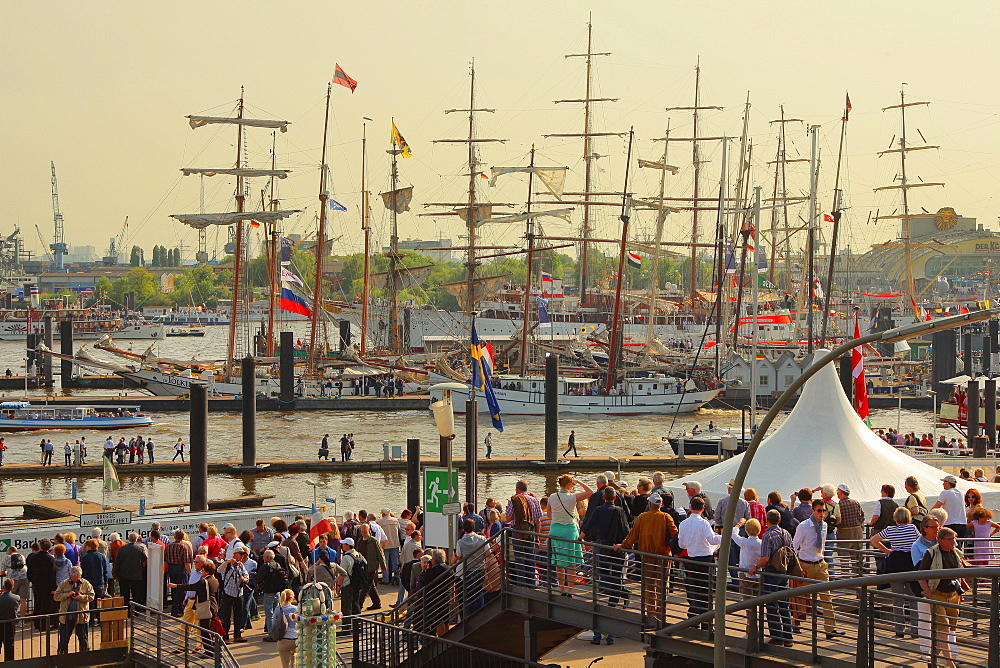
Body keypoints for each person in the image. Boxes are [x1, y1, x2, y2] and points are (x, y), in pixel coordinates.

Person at [617, 493, 676, 622]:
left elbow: (633, 536)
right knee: (662, 586)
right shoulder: (666, 517)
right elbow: (675, 535)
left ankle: (650, 615)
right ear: (660, 505)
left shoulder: (643, 517)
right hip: (664, 556)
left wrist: (623, 545)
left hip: (647, 556)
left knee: (649, 587)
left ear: (649, 505)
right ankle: (661, 616)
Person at [917, 527, 970, 668]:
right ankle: (950, 664)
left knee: (949, 629)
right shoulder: (932, 552)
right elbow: (920, 575)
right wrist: (929, 593)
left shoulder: (956, 552)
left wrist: (961, 591)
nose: (954, 542)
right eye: (950, 539)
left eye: (954, 538)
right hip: (938, 595)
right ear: (941, 540)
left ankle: (932, 660)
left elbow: (960, 572)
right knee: (944, 629)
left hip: (953, 595)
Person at [792, 500, 842, 639]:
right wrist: (796, 567)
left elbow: (823, 544)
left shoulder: (825, 526)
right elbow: (794, 546)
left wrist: (823, 559)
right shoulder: (804, 526)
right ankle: (795, 624)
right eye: (819, 511)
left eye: (824, 511)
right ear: (813, 511)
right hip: (805, 564)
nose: (822, 513)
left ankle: (830, 629)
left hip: (820, 564)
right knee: (801, 597)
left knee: (826, 596)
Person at [871, 506, 920, 637]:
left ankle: (899, 630)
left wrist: (886, 550)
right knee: (913, 598)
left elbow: (874, 540)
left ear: (895, 518)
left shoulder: (890, 529)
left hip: (895, 562)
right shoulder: (912, 528)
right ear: (909, 517)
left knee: (897, 599)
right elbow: (920, 541)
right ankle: (915, 630)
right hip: (910, 562)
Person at [677, 495, 721, 627]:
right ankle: (707, 622)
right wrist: (721, 537)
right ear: (703, 509)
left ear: (690, 507)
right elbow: (712, 540)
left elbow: (681, 545)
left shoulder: (684, 523)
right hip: (705, 560)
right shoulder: (704, 523)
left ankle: (694, 619)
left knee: (692, 588)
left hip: (691, 559)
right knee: (706, 591)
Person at [753, 509, 793, 647]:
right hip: (784, 572)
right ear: (779, 520)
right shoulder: (786, 533)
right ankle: (788, 637)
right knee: (784, 604)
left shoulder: (767, 536)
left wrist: (755, 567)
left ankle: (777, 637)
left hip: (771, 572)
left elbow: (765, 558)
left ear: (766, 520)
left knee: (771, 604)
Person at [547, 475, 592, 596]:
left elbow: (549, 514)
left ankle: (562, 589)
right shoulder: (572, 498)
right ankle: (570, 591)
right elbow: (590, 492)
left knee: (559, 561)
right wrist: (578, 481)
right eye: (572, 484)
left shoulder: (552, 497)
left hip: (555, 530)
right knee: (571, 563)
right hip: (569, 530)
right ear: (568, 485)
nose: (573, 486)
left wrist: (558, 518)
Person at [167, 561, 219, 653]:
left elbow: (191, 587)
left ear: (207, 572)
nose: (201, 572)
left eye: (203, 570)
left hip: (205, 607)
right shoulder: (214, 580)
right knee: (209, 629)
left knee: (204, 630)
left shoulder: (204, 582)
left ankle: (209, 651)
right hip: (213, 606)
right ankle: (211, 650)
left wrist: (175, 586)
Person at [54, 566, 95, 654]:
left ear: (81, 575)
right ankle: (62, 654)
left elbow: (91, 596)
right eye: (73, 577)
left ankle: (84, 654)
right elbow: (56, 596)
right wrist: (67, 595)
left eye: (78, 577)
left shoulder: (86, 583)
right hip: (66, 616)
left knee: (83, 637)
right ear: (70, 575)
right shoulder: (63, 584)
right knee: (64, 638)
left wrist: (81, 597)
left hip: (81, 616)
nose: (76, 579)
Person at [453, 517, 488, 616]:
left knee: (468, 595)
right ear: (474, 527)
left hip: (468, 570)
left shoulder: (460, 542)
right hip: (480, 569)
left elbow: (459, 557)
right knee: (479, 592)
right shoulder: (482, 539)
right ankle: (480, 614)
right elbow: (488, 553)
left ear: (464, 528)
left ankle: (469, 617)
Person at [217, 547, 250, 643]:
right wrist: (227, 562)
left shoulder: (240, 565)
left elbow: (246, 575)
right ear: (235, 554)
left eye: (243, 554)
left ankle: (237, 635)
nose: (242, 556)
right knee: (226, 616)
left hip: (239, 593)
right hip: (228, 592)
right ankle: (225, 636)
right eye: (241, 554)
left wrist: (244, 579)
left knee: (238, 615)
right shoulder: (227, 565)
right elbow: (219, 570)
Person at [831, 484, 864, 570]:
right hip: (857, 531)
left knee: (844, 558)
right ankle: (858, 578)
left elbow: (836, 519)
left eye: (837, 492)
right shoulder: (856, 502)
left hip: (844, 532)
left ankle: (846, 578)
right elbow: (862, 517)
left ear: (841, 493)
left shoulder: (838, 505)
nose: (837, 494)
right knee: (857, 557)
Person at [113, 533, 148, 607]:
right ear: (136, 539)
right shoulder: (140, 549)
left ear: (128, 539)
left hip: (124, 575)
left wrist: (115, 574)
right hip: (136, 575)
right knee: (136, 594)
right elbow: (144, 559)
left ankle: (127, 611)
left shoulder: (121, 549)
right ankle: (136, 611)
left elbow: (117, 563)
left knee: (125, 594)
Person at [164, 529, 194, 617]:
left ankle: (175, 608)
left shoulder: (169, 546)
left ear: (175, 537)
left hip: (171, 568)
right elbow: (186, 562)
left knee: (173, 588)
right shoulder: (184, 547)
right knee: (181, 589)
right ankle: (178, 610)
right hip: (181, 569)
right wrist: (190, 573)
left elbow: (165, 560)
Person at [731, 519, 763, 598]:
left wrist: (739, 524)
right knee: (757, 599)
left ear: (746, 531)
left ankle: (750, 611)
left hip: (745, 573)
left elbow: (733, 533)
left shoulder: (744, 542)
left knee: (747, 599)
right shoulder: (762, 543)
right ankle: (755, 610)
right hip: (758, 573)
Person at [337, 538, 366, 620]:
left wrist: (338, 585)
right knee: (356, 605)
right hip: (357, 584)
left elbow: (342, 573)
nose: (342, 545)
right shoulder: (359, 555)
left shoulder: (346, 558)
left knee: (346, 608)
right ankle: (358, 627)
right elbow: (366, 564)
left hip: (347, 584)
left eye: (343, 544)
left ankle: (347, 628)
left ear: (347, 545)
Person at [0, 548, 29, 620]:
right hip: (24, 578)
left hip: (13, 580)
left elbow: (2, 572)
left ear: (10, 551)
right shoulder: (21, 556)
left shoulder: (7, 558)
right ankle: (22, 620)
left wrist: (7, 572)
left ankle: (12, 617)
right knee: (23, 599)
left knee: (10, 598)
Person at [273, 589, 298, 667]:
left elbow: (273, 623)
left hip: (284, 640)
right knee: (294, 662)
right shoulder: (295, 609)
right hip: (296, 640)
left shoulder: (278, 609)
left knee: (285, 665)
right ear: (292, 598)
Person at [0, 579, 19, 661]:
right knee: (9, 646)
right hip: (10, 624)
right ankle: (9, 664)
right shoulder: (16, 598)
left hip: (0, 623)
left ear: (3, 587)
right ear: (13, 588)